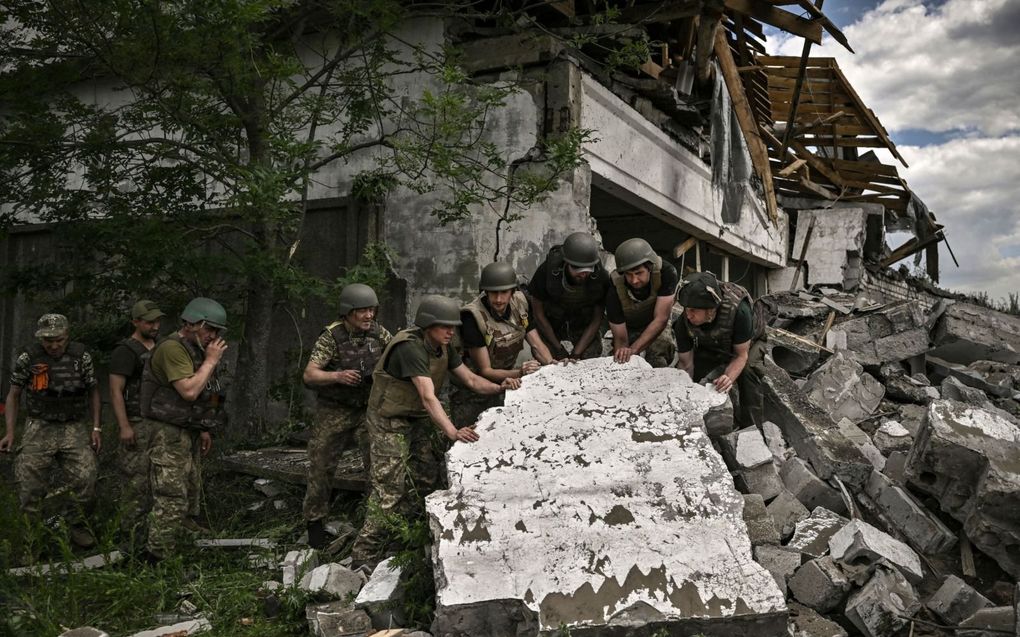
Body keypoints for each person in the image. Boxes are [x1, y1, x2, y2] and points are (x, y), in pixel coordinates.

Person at [350, 295, 516, 566]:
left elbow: (472, 379)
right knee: (388, 491)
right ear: (428, 325)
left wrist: (501, 387)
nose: (451, 332)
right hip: (388, 421)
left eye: (453, 327)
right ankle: (363, 557)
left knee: (426, 478)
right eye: (445, 326)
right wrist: (452, 431)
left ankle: (404, 540)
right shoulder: (411, 348)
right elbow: (428, 397)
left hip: (416, 418)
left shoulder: (443, 346)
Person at [301, 284, 392, 549]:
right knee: (321, 464)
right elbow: (309, 374)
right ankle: (314, 523)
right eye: (362, 311)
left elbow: (396, 354)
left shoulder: (379, 333)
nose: (368, 316)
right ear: (348, 312)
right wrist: (337, 376)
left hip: (367, 408)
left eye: (371, 310)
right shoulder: (332, 337)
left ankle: (373, 521)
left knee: (376, 464)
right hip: (335, 409)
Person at [139, 297, 228, 560]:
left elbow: (207, 392)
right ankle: (156, 557)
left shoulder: (198, 349)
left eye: (216, 331)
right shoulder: (172, 348)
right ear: (191, 324)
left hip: (186, 429)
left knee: (190, 491)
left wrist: (204, 427)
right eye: (208, 329)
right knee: (171, 494)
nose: (213, 336)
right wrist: (211, 361)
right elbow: (189, 391)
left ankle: (182, 543)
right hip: (166, 430)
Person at [2, 313, 101, 548]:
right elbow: (14, 394)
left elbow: (94, 391)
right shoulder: (29, 358)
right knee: (29, 485)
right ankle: (31, 541)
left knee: (86, 478)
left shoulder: (81, 357)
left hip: (73, 426)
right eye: (49, 340)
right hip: (39, 426)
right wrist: (10, 432)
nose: (54, 345)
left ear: (67, 337)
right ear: (40, 338)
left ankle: (75, 525)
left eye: (59, 339)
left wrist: (96, 427)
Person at [452, 262, 554, 426]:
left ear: (513, 291)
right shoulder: (473, 318)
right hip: (473, 389)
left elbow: (536, 344)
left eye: (504, 292)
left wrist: (551, 364)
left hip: (507, 382)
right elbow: (485, 370)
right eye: (493, 293)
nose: (498, 299)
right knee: (470, 436)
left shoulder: (521, 304)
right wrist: (520, 372)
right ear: (485, 292)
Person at [673, 271, 765, 425]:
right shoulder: (685, 322)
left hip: (748, 343)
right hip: (713, 344)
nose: (688, 315)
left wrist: (728, 378)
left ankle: (752, 428)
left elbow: (741, 355)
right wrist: (685, 394)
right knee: (697, 378)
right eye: (686, 309)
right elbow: (685, 364)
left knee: (749, 371)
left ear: (710, 309)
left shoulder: (740, 311)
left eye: (693, 310)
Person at [108, 300, 165, 541]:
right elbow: (115, 391)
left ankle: (154, 534)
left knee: (157, 480)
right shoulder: (126, 351)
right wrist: (124, 426)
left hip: (159, 422)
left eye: (157, 321)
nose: (155, 325)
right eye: (149, 321)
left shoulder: (161, 346)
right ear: (136, 322)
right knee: (135, 481)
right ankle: (130, 537)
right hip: (136, 421)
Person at [528, 232, 610, 360]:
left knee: (590, 356)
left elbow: (596, 319)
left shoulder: (600, 276)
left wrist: (576, 353)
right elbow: (538, 314)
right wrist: (558, 349)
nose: (583, 274)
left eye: (587, 270)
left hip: (581, 323)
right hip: (552, 323)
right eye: (578, 269)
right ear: (566, 263)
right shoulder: (547, 272)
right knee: (548, 358)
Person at [606, 238, 678, 368]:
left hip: (655, 322)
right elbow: (620, 337)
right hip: (629, 326)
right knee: (618, 360)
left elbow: (661, 319)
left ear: (650, 267)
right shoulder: (614, 285)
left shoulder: (666, 272)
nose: (634, 280)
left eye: (639, 273)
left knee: (658, 354)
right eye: (629, 275)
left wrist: (634, 350)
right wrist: (625, 354)